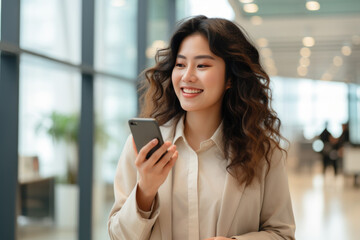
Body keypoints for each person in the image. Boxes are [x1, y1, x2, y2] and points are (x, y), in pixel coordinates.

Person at [108, 15, 295, 240]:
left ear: (230, 79)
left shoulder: (264, 152)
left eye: (202, 65)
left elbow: (282, 234)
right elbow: (118, 236)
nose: (187, 76)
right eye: (180, 64)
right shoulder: (143, 148)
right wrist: (145, 191)